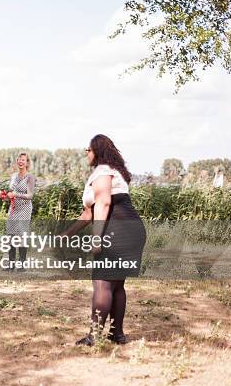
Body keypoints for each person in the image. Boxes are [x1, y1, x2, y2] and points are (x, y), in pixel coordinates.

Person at [62, 134, 145, 345]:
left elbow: (104, 204)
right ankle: (116, 335)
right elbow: (88, 213)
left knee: (102, 283)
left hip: (117, 229)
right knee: (116, 285)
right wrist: (66, 234)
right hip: (131, 229)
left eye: (88, 150)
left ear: (97, 151)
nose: (85, 153)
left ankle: (94, 337)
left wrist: (97, 238)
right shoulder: (113, 171)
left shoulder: (103, 171)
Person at [1, 153, 35, 270]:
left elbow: (30, 195)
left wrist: (16, 194)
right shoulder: (14, 175)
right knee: (10, 234)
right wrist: (6, 196)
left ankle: (22, 264)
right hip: (14, 208)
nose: (21, 162)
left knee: (21, 235)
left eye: (23, 160)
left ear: (27, 163)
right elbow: (12, 191)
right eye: (19, 159)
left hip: (25, 208)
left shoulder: (30, 177)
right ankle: (11, 264)